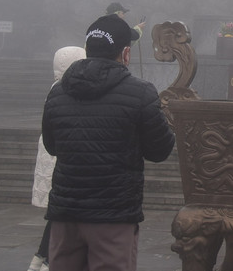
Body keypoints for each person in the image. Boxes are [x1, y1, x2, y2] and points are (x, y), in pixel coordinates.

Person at [41, 14, 175, 271]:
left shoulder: (58, 92)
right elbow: (160, 150)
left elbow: (52, 146)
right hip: (113, 217)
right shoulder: (141, 92)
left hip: (65, 215)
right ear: (126, 53)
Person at [28, 45, 87, 271]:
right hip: (64, 163)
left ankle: (41, 258)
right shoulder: (67, 91)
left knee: (58, 215)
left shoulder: (55, 89)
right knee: (62, 217)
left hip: (53, 155)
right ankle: (46, 260)